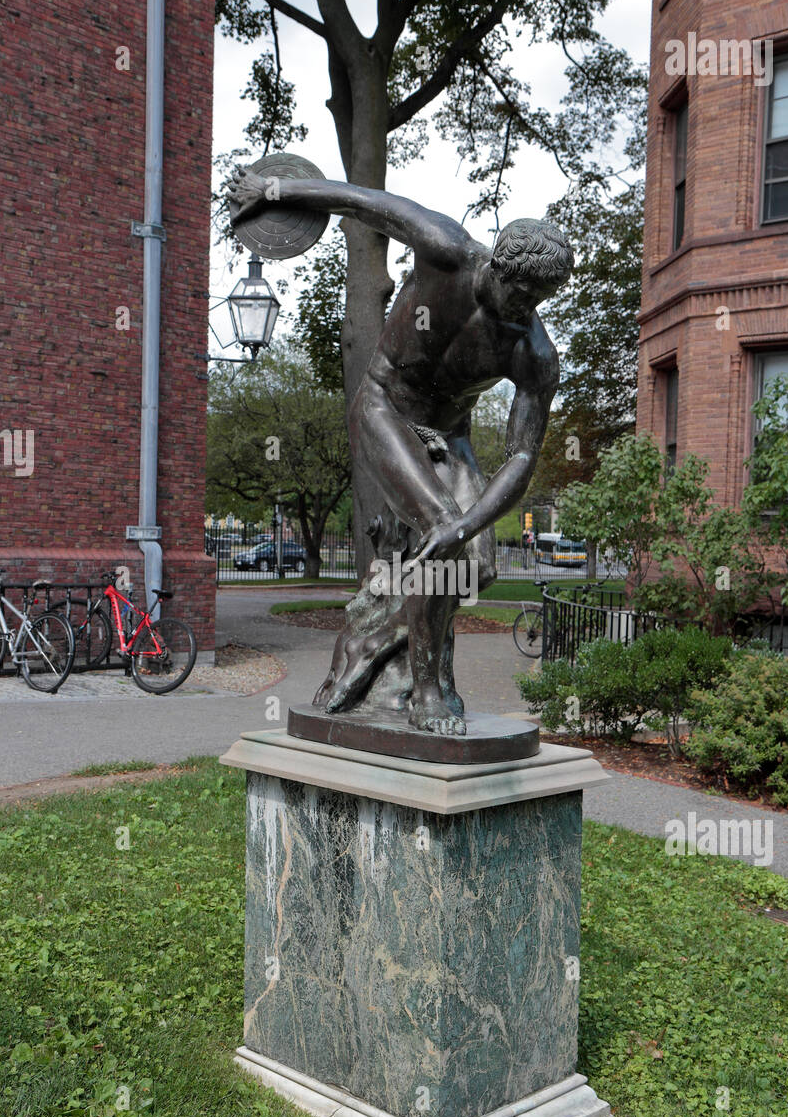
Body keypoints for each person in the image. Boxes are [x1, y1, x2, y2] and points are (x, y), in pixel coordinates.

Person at [232, 168, 573, 734]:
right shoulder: (446, 249)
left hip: (451, 435)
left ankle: (372, 645)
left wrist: (470, 526)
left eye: (539, 300)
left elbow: (520, 459)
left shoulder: (533, 353)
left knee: (477, 563)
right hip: (385, 409)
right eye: (520, 292)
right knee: (443, 529)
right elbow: (365, 202)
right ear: (497, 266)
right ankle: (427, 693)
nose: (525, 308)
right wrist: (279, 193)